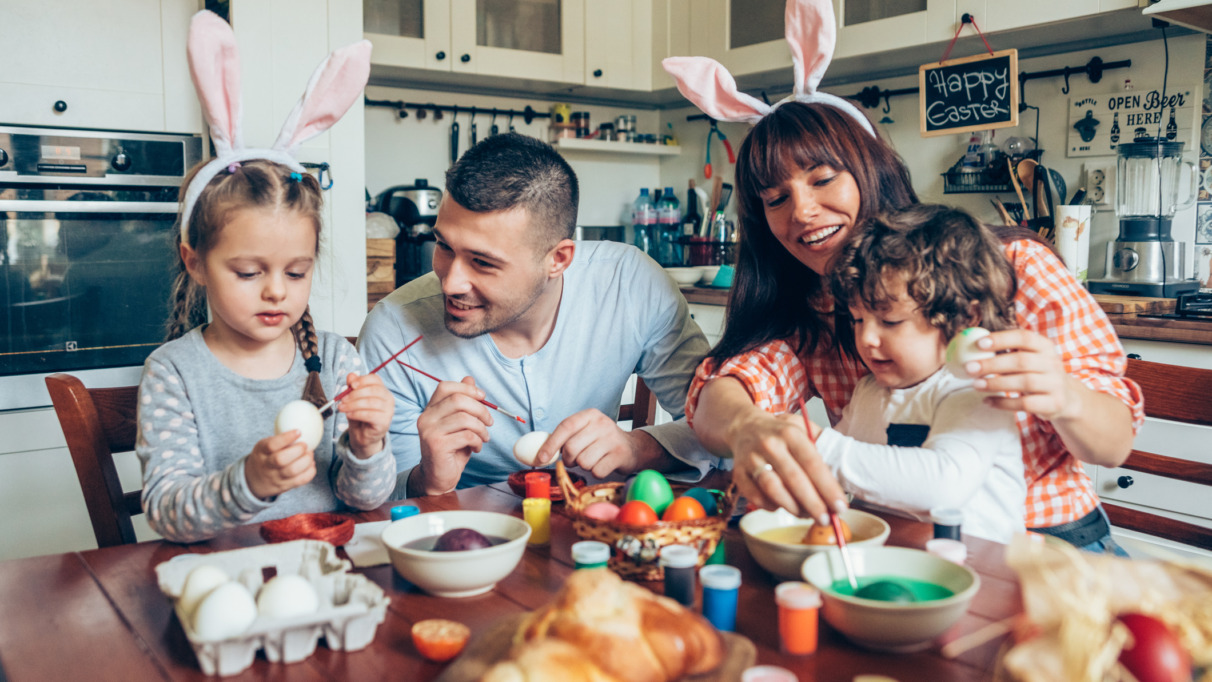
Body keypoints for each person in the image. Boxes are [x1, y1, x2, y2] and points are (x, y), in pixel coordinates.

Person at [664, 0, 1142, 553]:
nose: (802, 212)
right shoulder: (813, 306)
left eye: (823, 179)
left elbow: (1114, 445)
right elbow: (721, 392)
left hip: (1053, 548)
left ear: (874, 170)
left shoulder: (1012, 269)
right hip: (906, 546)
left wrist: (1066, 397)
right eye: (776, 199)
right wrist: (749, 428)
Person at [136, 11, 395, 543]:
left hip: (331, 573)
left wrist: (369, 446)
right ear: (195, 262)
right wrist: (248, 482)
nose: (277, 289)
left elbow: (364, 501)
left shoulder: (335, 357)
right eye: (250, 271)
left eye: (296, 272)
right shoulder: (174, 373)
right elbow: (165, 512)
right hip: (225, 578)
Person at [358, 133, 719, 497]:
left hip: (593, 526)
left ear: (557, 260)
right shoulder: (394, 329)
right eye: (444, 246)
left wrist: (636, 448)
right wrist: (427, 478)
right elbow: (375, 502)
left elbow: (719, 428)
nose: (450, 283)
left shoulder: (629, 284)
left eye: (483, 262)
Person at [808, 204, 1025, 543]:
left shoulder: (977, 391)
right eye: (858, 319)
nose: (866, 338)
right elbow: (827, 471)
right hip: (892, 560)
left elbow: (942, 485)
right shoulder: (870, 392)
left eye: (891, 321)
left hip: (979, 573)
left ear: (965, 318)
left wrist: (819, 444)